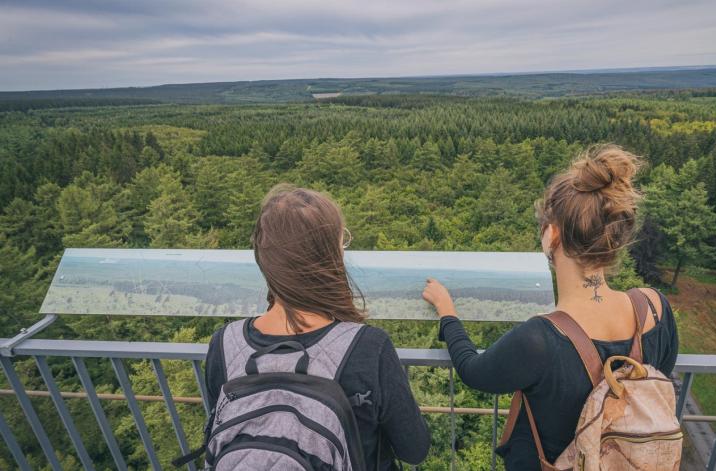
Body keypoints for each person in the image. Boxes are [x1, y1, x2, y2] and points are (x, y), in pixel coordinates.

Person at [422, 144, 678, 470]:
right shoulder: (654, 308)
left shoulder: (539, 339)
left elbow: (474, 372)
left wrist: (447, 311)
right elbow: (661, 377)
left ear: (551, 235)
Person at [204, 184, 430, 470]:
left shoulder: (224, 344)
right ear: (329, 257)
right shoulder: (368, 348)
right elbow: (414, 449)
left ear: (266, 260)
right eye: (341, 242)